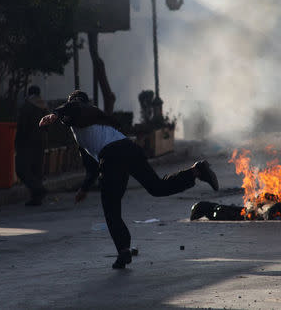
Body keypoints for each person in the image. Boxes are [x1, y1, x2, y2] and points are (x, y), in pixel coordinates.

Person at [39, 90, 219, 269]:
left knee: (111, 208)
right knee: (157, 187)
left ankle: (123, 250)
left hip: (112, 155)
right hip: (128, 149)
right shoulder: (83, 130)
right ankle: (196, 171)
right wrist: (84, 188)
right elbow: (91, 168)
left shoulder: (83, 110)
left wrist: (54, 113)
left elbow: (75, 107)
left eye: (69, 109)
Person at [15, 85, 49, 206]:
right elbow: (48, 127)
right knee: (36, 170)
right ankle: (36, 199)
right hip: (41, 142)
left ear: (29, 94)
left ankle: (38, 190)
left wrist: (17, 142)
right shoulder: (44, 106)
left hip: (26, 142)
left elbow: (22, 126)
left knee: (21, 169)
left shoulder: (27, 106)